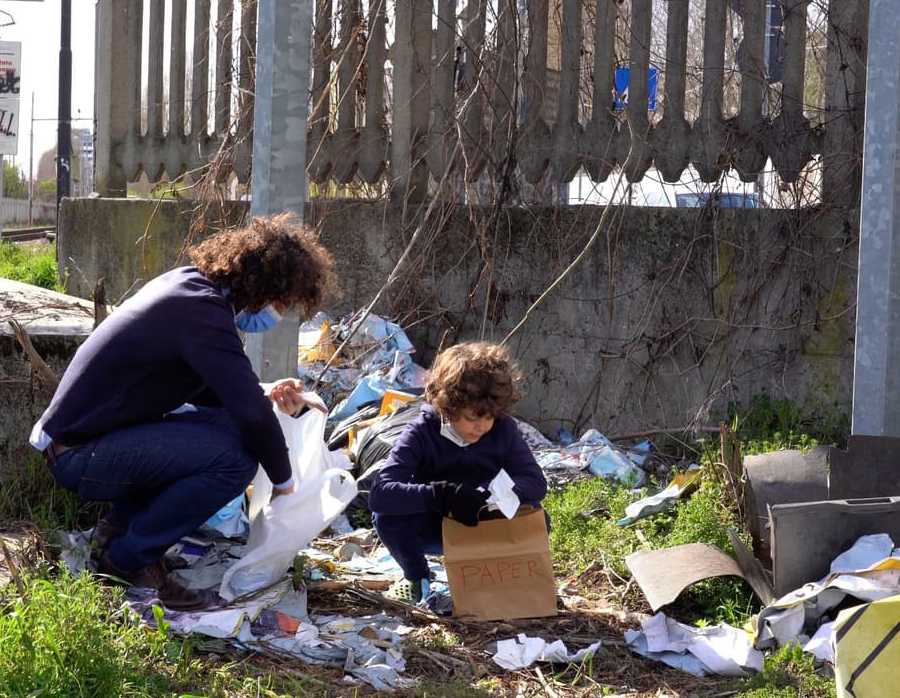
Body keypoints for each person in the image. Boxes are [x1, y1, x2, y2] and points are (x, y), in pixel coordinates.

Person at [29, 214, 336, 610]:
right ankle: (126, 561)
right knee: (235, 459)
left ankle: (119, 530)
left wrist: (265, 392)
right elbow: (251, 416)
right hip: (78, 453)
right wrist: (284, 486)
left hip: (79, 441)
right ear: (261, 287)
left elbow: (219, 393)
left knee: (230, 432)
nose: (277, 313)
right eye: (280, 302)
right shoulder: (203, 312)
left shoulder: (193, 289)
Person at [368, 341, 547, 604]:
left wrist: (490, 496)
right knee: (387, 518)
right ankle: (417, 579)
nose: (482, 427)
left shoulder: (502, 429)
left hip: (484, 521)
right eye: (473, 418)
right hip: (437, 524)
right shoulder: (421, 433)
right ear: (449, 406)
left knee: (537, 516)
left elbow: (535, 482)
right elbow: (381, 494)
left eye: (490, 417)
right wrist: (442, 496)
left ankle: (504, 581)